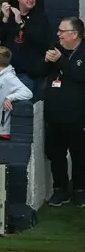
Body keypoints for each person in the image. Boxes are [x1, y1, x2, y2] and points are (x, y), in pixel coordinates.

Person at [42, 18, 85, 206]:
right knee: (55, 154)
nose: (58, 34)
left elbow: (80, 75)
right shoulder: (55, 50)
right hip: (54, 116)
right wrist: (46, 61)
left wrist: (61, 61)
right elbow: (39, 71)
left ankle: (79, 190)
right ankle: (60, 189)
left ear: (74, 34)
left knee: (79, 155)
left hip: (78, 116)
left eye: (62, 30)